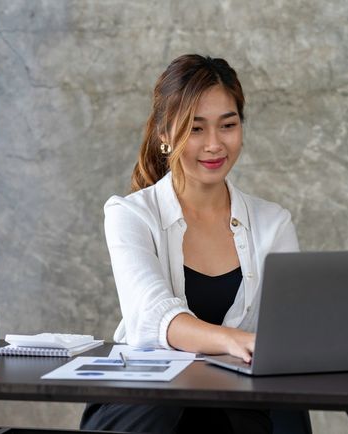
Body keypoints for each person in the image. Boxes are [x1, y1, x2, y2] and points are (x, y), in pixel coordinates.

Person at [81, 54, 311, 434]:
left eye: (228, 125)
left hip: (238, 401)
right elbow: (153, 316)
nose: (215, 144)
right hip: (147, 400)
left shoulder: (273, 223)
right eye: (196, 128)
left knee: (286, 411)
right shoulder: (130, 214)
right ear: (165, 135)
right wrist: (233, 341)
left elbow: (290, 329)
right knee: (162, 412)